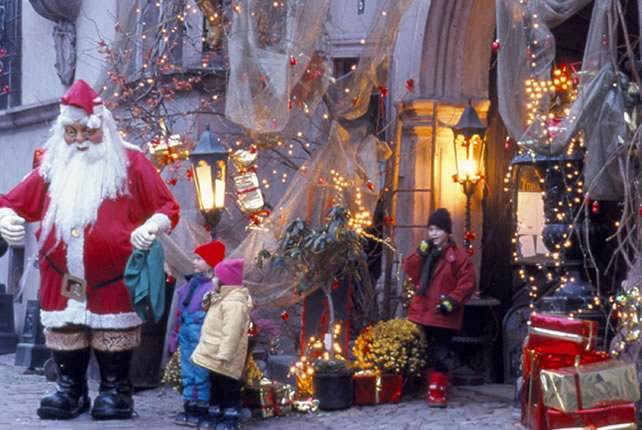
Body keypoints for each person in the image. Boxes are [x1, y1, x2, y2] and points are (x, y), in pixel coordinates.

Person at [0, 79, 180, 420]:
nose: (80, 140)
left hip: (113, 276)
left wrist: (150, 227)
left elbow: (166, 207)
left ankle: (116, 391)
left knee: (113, 331)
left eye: (87, 131)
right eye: (72, 132)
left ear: (103, 127)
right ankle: (70, 389)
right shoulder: (52, 165)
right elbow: (12, 200)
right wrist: (5, 218)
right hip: (61, 275)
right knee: (66, 330)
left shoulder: (131, 161)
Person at [402, 208, 475, 408]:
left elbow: (467, 282)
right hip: (423, 311)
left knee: (442, 354)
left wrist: (452, 301)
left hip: (444, 314)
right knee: (422, 352)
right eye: (431, 229)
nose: (433, 234)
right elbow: (409, 270)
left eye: (438, 230)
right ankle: (422, 388)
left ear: (447, 232)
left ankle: (437, 393)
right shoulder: (426, 253)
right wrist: (419, 254)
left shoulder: (457, 256)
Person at [191, 259, 252, 430]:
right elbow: (205, 306)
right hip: (213, 354)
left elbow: (231, 333)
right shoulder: (220, 298)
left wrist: (225, 354)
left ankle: (230, 417)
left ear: (225, 281)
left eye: (216, 277)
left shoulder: (234, 304)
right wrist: (212, 294)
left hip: (225, 357)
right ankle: (215, 414)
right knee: (215, 385)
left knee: (229, 388)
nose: (212, 279)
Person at [171, 240, 226, 427]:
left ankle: (202, 404)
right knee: (188, 368)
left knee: (201, 369)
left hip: (202, 332)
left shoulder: (214, 286)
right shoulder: (192, 284)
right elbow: (181, 310)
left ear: (210, 262)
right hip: (187, 330)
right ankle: (190, 404)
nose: (194, 262)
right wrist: (174, 335)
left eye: (198, 259)